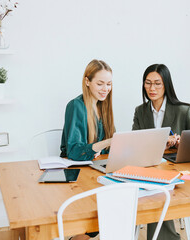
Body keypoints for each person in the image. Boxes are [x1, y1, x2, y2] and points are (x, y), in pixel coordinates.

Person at [132, 63, 190, 240]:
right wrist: (162, 143)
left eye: (157, 83)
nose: (151, 88)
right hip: (149, 170)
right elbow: (135, 145)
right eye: (147, 83)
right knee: (155, 190)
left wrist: (180, 143)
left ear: (166, 85)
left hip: (178, 172)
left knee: (158, 191)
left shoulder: (185, 111)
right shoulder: (140, 112)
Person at [60, 59, 115, 240]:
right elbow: (74, 152)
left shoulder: (103, 105)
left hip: (94, 170)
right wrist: (106, 142)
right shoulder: (76, 106)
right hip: (76, 175)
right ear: (87, 81)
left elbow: (109, 145)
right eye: (100, 83)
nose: (105, 89)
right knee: (93, 218)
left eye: (108, 84)